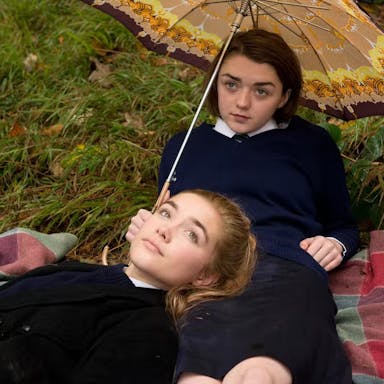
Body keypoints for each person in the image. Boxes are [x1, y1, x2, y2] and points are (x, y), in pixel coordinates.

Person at [126, 29, 360, 384]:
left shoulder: (311, 145)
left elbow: (343, 224)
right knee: (197, 349)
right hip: (204, 269)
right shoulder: (186, 143)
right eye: (231, 84)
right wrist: (147, 228)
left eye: (261, 91)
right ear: (214, 82)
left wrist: (336, 244)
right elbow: (170, 215)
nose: (242, 103)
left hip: (284, 265)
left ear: (285, 96)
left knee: (268, 360)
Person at [0, 189, 256, 384]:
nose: (165, 229)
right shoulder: (79, 271)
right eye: (166, 213)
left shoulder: (149, 333)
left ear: (205, 275)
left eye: (191, 234)